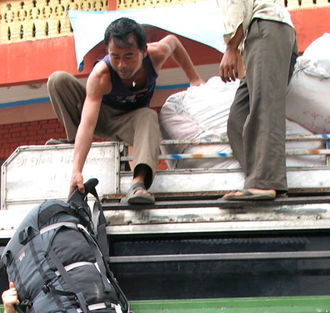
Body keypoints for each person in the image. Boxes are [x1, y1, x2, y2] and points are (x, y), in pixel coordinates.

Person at [47, 17, 204, 205]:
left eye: (128, 56)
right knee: (58, 80)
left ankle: (138, 184)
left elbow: (174, 42)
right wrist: (76, 171)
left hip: (131, 122)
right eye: (115, 56)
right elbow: (88, 124)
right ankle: (72, 140)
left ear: (143, 51)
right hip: (101, 117)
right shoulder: (100, 75)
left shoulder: (156, 55)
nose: (121, 65)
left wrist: (194, 78)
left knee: (148, 115)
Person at [217, 0, 298, 201]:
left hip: (266, 26)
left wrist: (231, 48)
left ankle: (265, 183)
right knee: (238, 117)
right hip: (262, 33)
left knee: (265, 108)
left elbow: (237, 5)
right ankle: (262, 178)